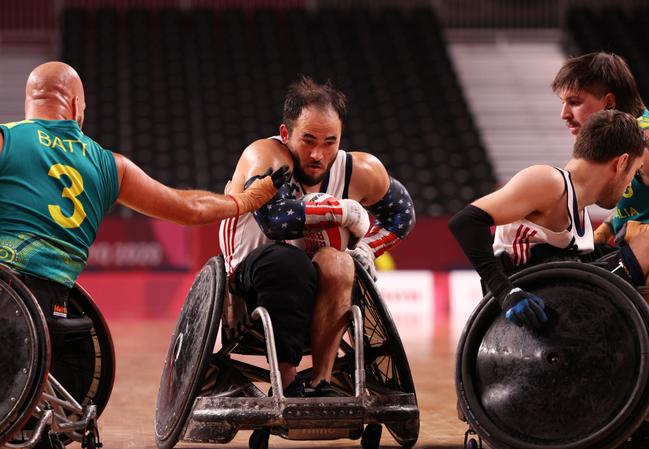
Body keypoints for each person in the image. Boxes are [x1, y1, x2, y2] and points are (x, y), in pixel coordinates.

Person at [0, 61, 289, 319]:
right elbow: (189, 209)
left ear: (29, 104)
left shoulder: (6, 139)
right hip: (52, 311)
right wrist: (245, 200)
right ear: (76, 105)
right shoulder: (110, 165)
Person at [219, 75, 415, 397]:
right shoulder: (264, 155)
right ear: (286, 134)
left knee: (339, 262)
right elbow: (275, 221)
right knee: (288, 261)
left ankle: (320, 381)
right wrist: (343, 212)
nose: (318, 155)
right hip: (252, 277)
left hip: (318, 286)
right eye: (308, 140)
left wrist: (368, 248)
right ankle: (286, 380)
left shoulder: (361, 169)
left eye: (329, 142)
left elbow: (402, 213)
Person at [449, 110, 646, 329]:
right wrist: (506, 293)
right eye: (634, 173)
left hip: (557, 296)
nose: (630, 185)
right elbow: (465, 221)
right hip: (529, 306)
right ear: (621, 163)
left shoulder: (579, 208)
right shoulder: (550, 182)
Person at [551, 52, 649, 248]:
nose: (564, 114)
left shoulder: (645, 144)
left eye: (574, 102)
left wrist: (640, 233)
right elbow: (638, 204)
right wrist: (607, 228)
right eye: (563, 103)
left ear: (609, 103)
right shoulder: (622, 136)